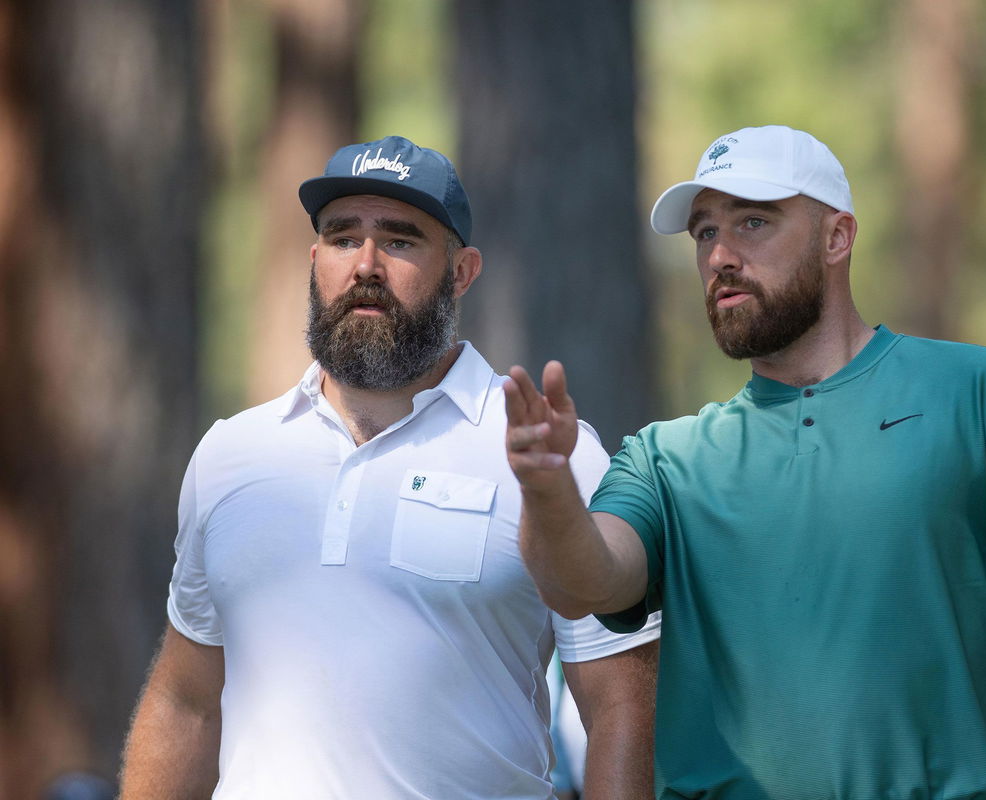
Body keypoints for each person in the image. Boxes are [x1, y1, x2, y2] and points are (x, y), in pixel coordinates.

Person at [504, 125, 986, 799]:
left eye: (752, 221)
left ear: (837, 237)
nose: (721, 255)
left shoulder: (985, 397)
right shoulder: (667, 459)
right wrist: (547, 490)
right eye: (704, 233)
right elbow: (584, 583)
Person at [119, 135, 660, 799]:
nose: (366, 264)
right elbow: (187, 702)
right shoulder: (232, 453)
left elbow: (621, 707)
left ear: (461, 272)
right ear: (315, 259)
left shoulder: (547, 451)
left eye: (400, 240)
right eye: (343, 237)